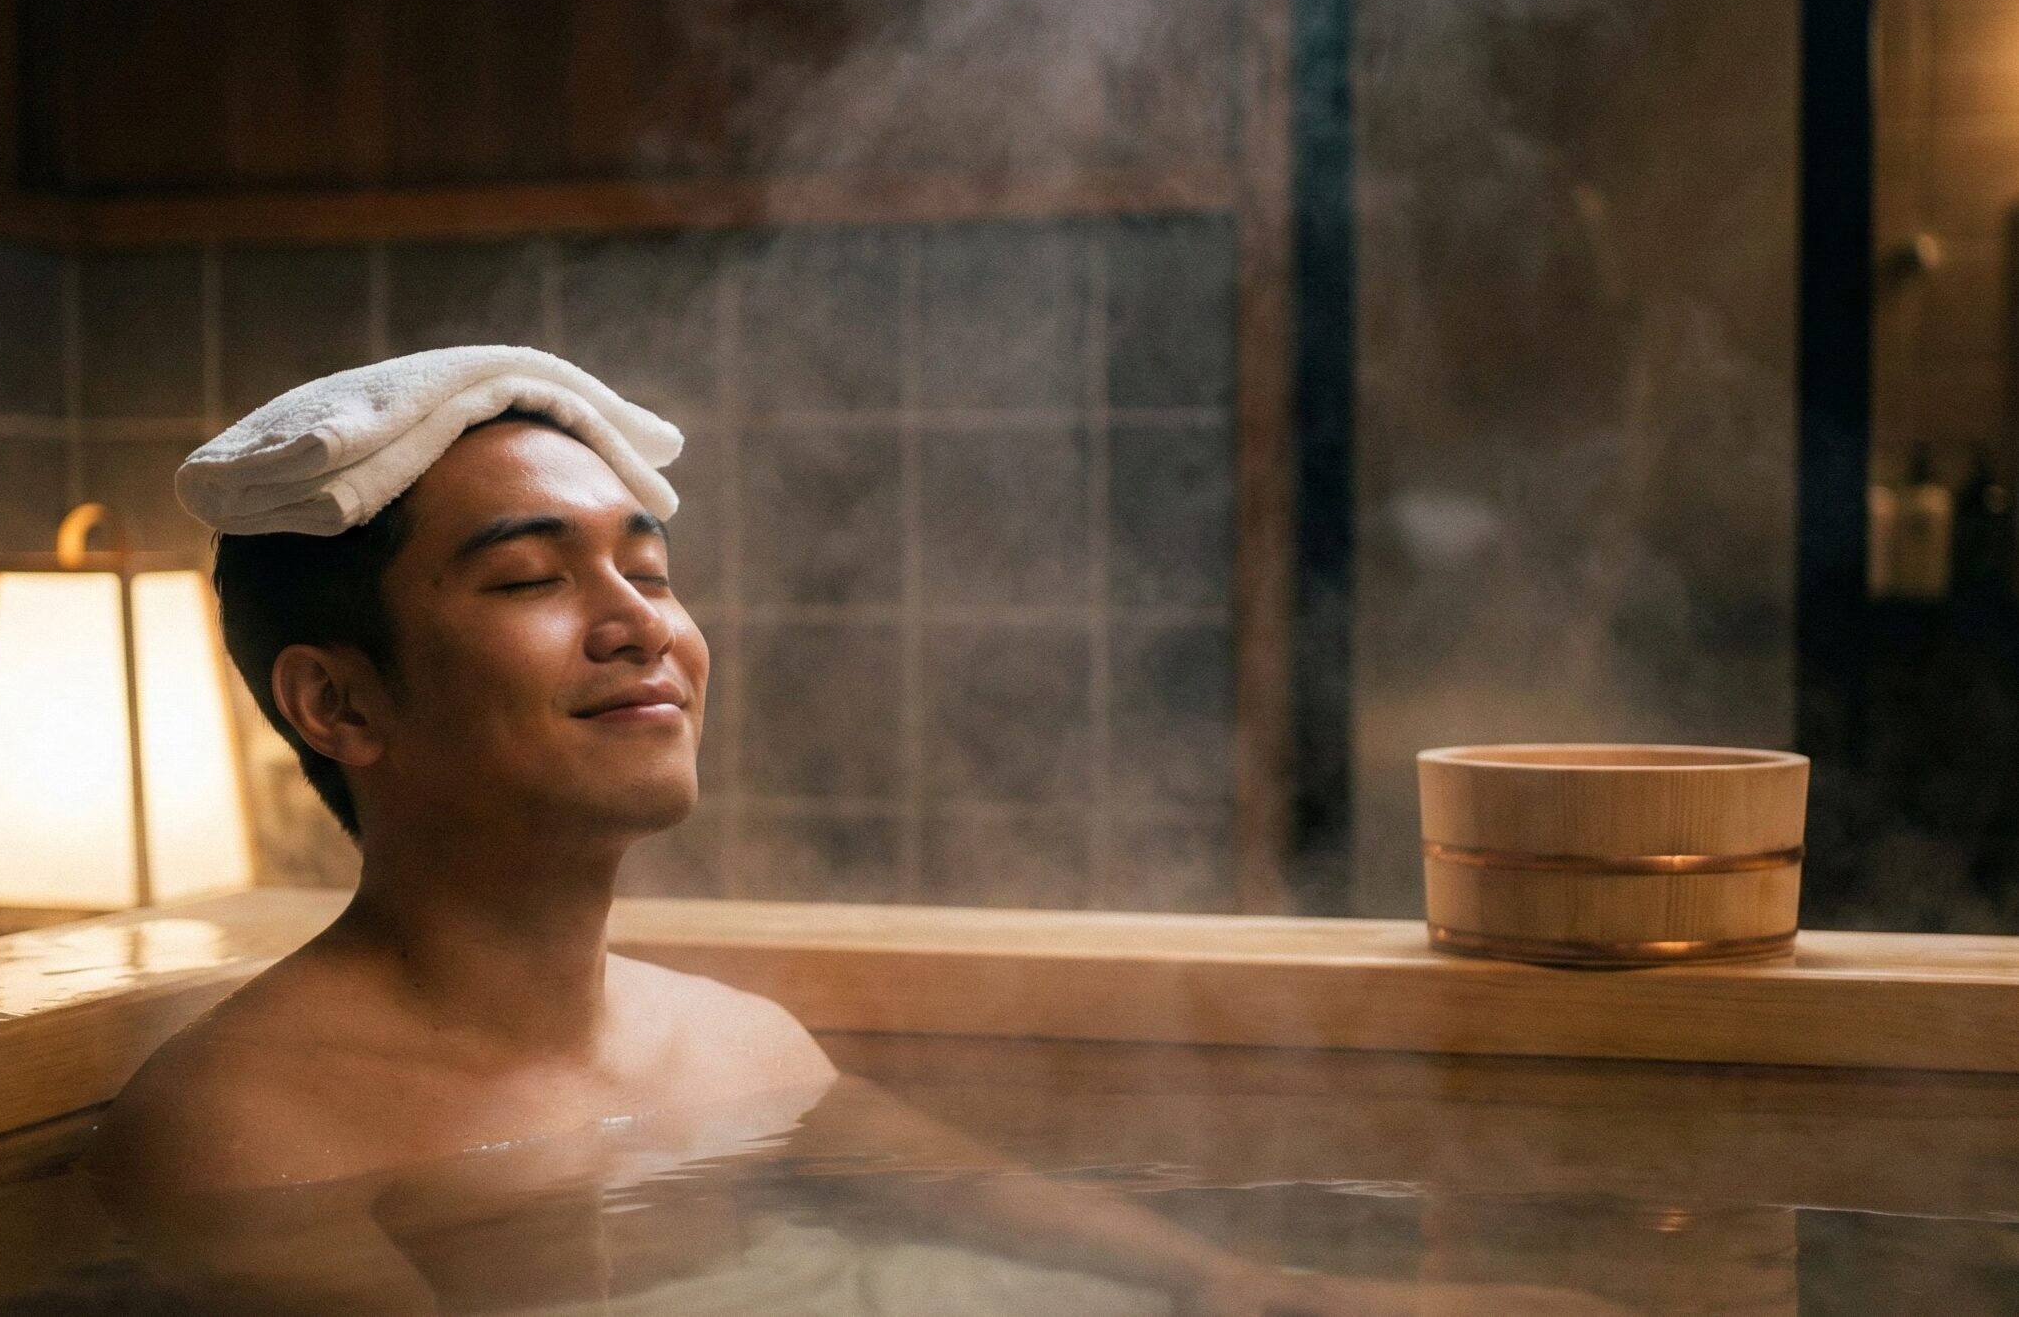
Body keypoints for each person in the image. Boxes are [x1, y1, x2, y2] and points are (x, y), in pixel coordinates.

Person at [90, 348, 1632, 1317]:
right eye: (527, 580)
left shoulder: (735, 1051)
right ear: (337, 705)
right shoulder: (255, 1133)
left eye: (652, 569)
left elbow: (1196, 1281)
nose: (644, 628)